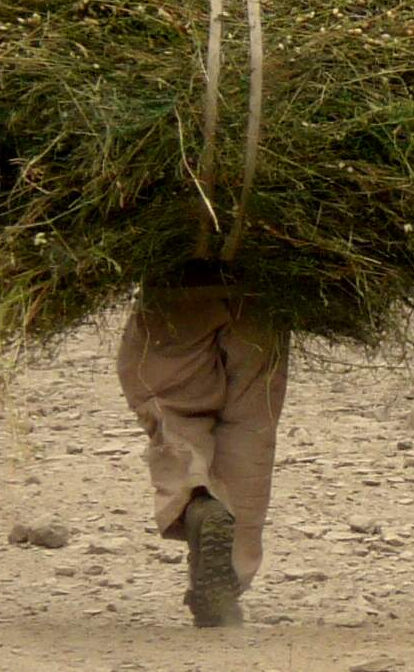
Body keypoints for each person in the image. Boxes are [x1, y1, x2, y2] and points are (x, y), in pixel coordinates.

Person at [116, 260, 289, 627]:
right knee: (250, 429)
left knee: (173, 408)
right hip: (262, 291)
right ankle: (228, 578)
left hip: (177, 286)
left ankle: (198, 496)